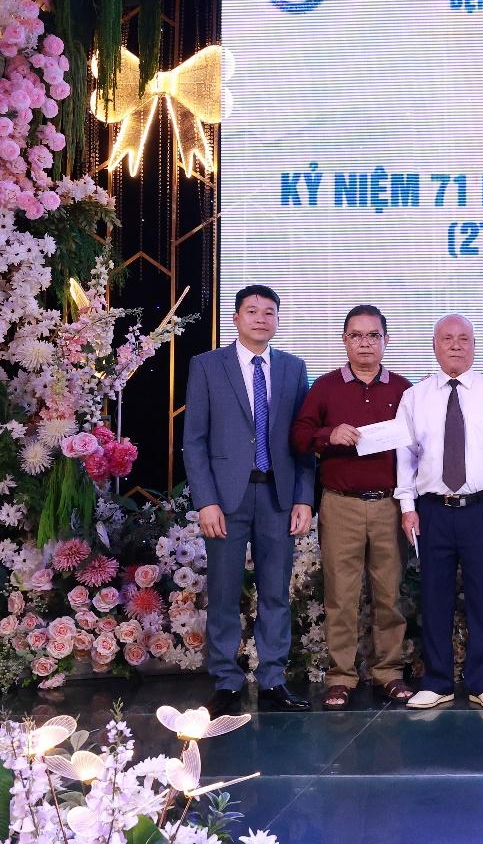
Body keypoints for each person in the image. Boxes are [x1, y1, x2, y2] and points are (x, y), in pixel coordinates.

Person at [183, 285, 315, 715]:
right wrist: (205, 501)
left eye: (269, 312)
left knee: (276, 592)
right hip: (225, 500)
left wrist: (303, 498)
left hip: (278, 496)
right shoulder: (207, 365)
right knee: (223, 592)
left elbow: (303, 441)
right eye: (252, 311)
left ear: (277, 320)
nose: (261, 318)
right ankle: (226, 681)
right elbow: (194, 440)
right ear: (236, 318)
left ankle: (273, 679)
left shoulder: (294, 368)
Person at [291, 304, 414, 710]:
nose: (365, 343)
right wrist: (329, 434)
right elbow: (299, 436)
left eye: (373, 335)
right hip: (340, 505)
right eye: (356, 336)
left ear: (386, 341)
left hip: (389, 505)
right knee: (341, 596)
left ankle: (389, 673)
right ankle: (341, 677)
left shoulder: (404, 389)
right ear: (344, 341)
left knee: (389, 594)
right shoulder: (326, 387)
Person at [396, 315, 483, 710]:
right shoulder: (415, 397)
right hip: (432, 510)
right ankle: (437, 681)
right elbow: (405, 455)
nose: (455, 345)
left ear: (474, 346)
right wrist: (407, 506)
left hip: (482, 508)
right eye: (447, 338)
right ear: (434, 345)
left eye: (463, 338)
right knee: (434, 596)